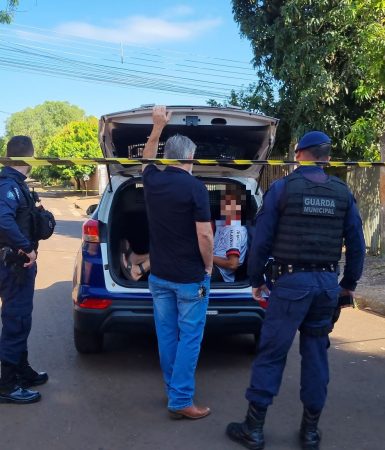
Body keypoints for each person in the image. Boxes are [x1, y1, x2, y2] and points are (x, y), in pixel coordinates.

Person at [226, 131, 365, 450]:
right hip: (326, 286)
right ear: (327, 157)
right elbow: (357, 246)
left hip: (289, 286)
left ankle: (254, 429)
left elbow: (261, 240)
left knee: (271, 354)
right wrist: (347, 287)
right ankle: (311, 433)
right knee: (316, 356)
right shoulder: (343, 193)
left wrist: (256, 280)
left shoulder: (283, 189)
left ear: (299, 154)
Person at [142, 106, 213, 419]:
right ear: (190, 158)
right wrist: (209, 267)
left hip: (159, 276)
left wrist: (157, 127)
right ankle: (182, 400)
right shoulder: (195, 188)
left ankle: (174, 390)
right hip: (189, 279)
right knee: (190, 339)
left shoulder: (152, 181)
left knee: (167, 335)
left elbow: (145, 158)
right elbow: (206, 237)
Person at [0, 136, 48, 404]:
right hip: (13, 265)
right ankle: (7, 385)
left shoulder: (17, 186)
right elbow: (2, 219)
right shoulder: (8, 186)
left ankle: (22, 370)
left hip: (18, 265)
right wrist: (25, 248)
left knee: (21, 319)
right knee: (16, 321)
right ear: (29, 158)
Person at [211, 185, 248, 282]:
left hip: (221, 274)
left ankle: (199, 296)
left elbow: (233, 264)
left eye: (230, 203)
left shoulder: (234, 230)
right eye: (224, 201)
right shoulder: (223, 225)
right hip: (213, 266)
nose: (225, 205)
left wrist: (207, 257)